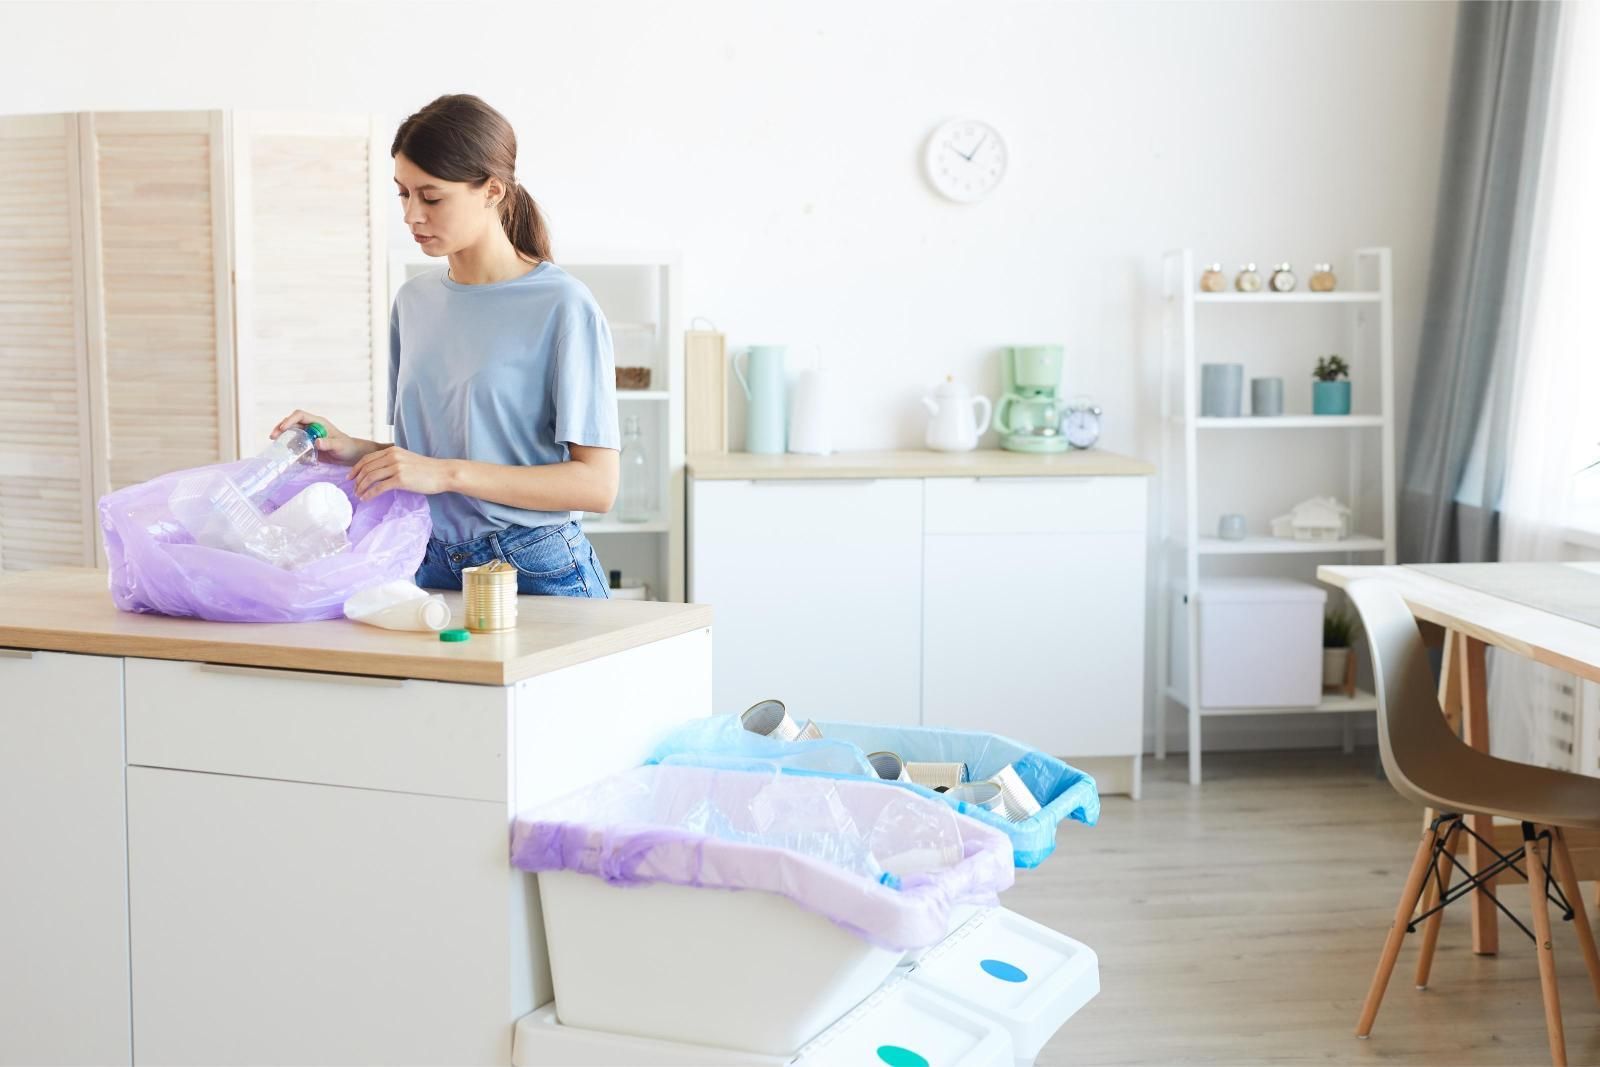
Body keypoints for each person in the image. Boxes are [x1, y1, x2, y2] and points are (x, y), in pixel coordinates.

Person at [274, 94, 618, 597]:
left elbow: (597, 486)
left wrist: (445, 474)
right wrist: (351, 449)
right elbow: (433, 458)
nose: (412, 215)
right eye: (403, 195)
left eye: (431, 197)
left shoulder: (562, 305)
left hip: (533, 568)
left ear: (491, 191)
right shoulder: (414, 302)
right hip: (425, 560)